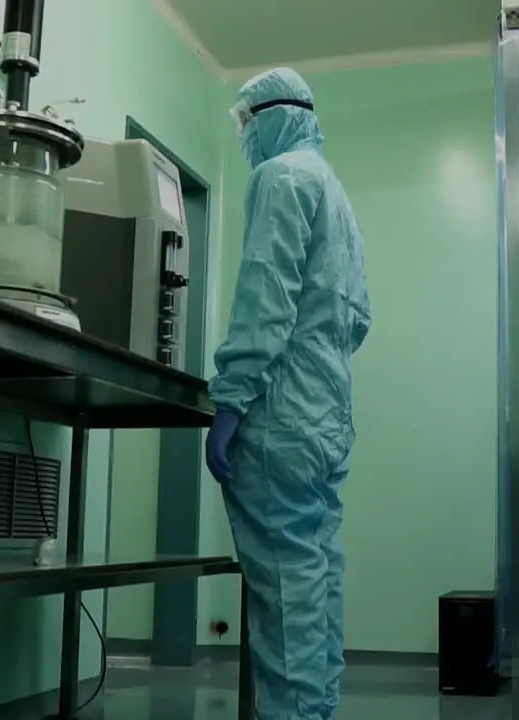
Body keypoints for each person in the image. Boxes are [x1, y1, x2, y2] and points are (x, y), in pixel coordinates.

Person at [205, 67, 372, 720]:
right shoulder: (334, 193)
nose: (244, 136)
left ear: (273, 115)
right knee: (316, 581)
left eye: (246, 121)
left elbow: (264, 297)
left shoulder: (281, 179)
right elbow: (359, 317)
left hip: (280, 418)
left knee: (284, 594)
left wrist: (233, 397)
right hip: (327, 420)